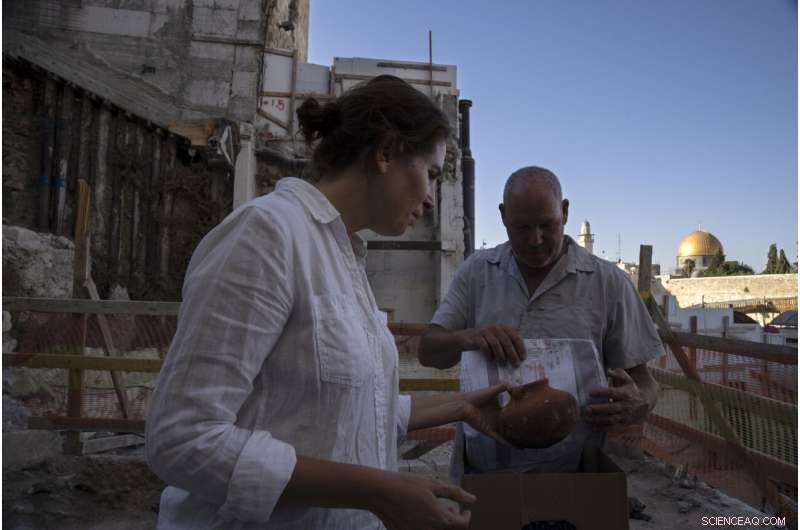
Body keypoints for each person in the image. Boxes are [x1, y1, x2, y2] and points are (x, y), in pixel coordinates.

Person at [146, 75, 510, 530]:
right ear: (385, 152)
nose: (432, 198)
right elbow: (181, 438)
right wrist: (376, 490)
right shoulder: (267, 235)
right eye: (431, 174)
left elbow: (353, 412)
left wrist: (464, 406)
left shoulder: (344, 256)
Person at [418, 166, 661, 473]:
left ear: (566, 211)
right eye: (521, 227)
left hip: (577, 472)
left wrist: (639, 402)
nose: (535, 240)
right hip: (484, 470)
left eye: (548, 224)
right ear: (503, 216)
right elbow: (428, 352)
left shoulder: (609, 283)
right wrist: (468, 338)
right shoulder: (476, 272)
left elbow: (646, 383)